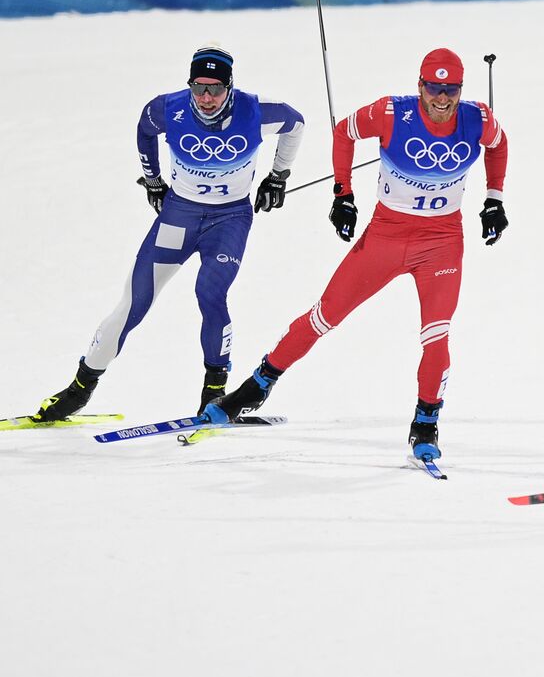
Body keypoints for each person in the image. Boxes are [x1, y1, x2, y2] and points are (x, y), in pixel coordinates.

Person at [201, 48, 508, 464]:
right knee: (324, 316)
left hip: (441, 242)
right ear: (420, 86)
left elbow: (498, 145)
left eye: (450, 89)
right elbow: (344, 132)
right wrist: (342, 194)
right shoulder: (389, 113)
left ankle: (425, 422)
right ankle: (256, 385)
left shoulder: (478, 119)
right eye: (434, 88)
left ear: (460, 89)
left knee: (436, 336)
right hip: (386, 236)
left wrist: (494, 200)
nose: (442, 98)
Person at [32, 45, 306, 421]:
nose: (206, 98)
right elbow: (145, 131)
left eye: (215, 89)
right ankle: (79, 389)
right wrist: (152, 179)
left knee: (210, 293)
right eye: (199, 88)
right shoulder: (167, 108)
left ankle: (215, 392)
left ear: (231, 87)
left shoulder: (256, 110)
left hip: (229, 221)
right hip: (179, 217)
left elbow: (296, 124)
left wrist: (279, 175)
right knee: (133, 304)